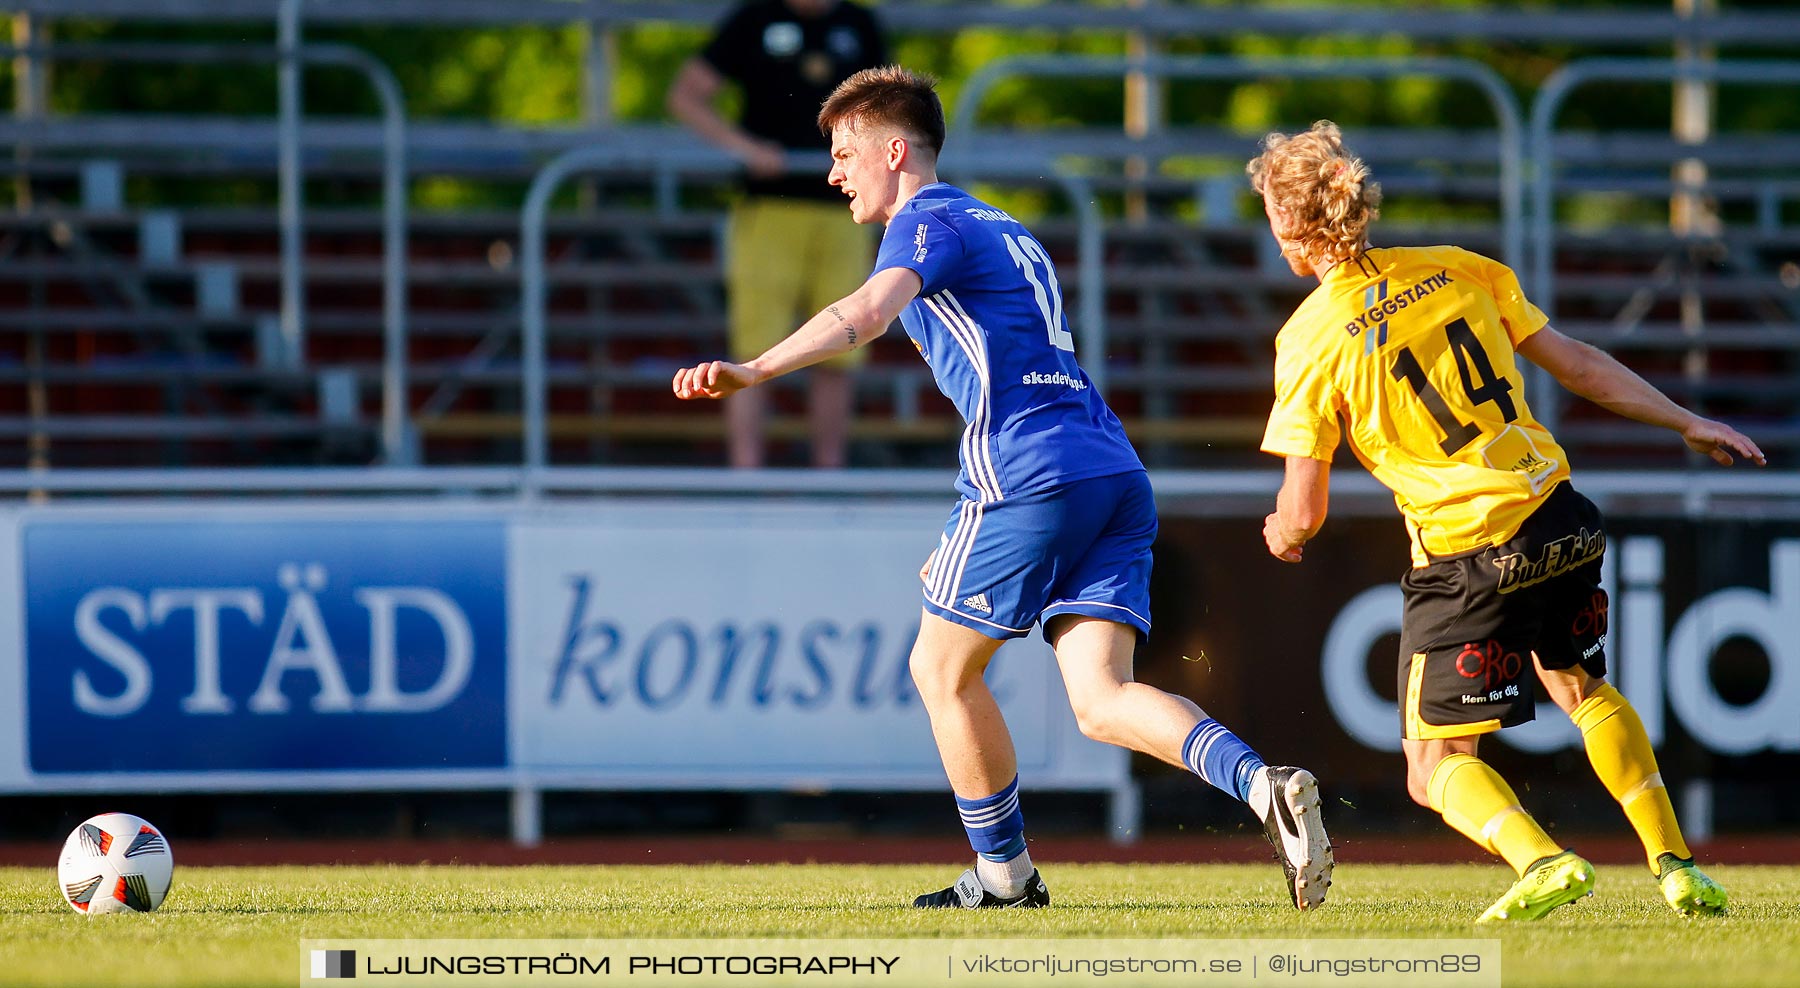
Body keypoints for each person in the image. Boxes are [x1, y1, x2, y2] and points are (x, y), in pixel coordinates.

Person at [673, 66, 1333, 911]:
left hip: (1030, 469)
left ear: (895, 151)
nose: (834, 174)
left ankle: (1005, 878)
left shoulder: (924, 219)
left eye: (844, 154)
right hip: (1109, 466)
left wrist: (756, 367)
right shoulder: (1003, 222)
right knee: (1102, 699)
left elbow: (869, 313)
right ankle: (1262, 785)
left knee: (939, 669)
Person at [1249, 121, 1764, 922]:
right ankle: (1677, 867)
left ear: (1289, 231)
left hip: (1467, 552)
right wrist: (1683, 421)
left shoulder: (1308, 341)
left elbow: (1305, 509)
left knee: (1434, 764)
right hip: (1559, 512)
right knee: (1583, 686)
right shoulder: (1458, 269)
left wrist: (1284, 532)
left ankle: (1544, 861)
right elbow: (1580, 364)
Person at [667, 0, 887, 469]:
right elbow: (686, 94)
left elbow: (892, 111)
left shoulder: (858, 23)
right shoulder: (754, 19)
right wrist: (745, 149)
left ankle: (830, 475)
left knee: (842, 346)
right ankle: (748, 477)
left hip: (847, 211)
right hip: (768, 210)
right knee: (753, 348)